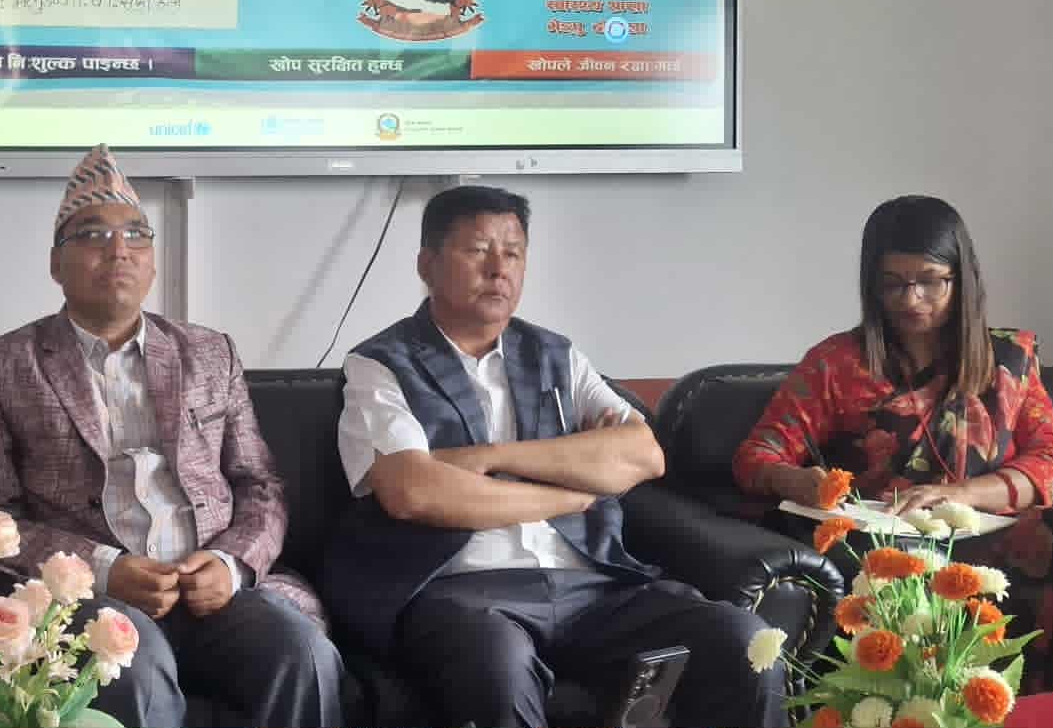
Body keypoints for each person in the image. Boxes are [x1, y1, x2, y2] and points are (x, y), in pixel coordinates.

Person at [735, 195, 1053, 719]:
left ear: (962, 279)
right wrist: (799, 482)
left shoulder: (1009, 359)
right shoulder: (836, 365)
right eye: (892, 283)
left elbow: (1052, 464)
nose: (911, 299)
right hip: (903, 551)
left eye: (930, 281)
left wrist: (961, 494)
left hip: (1003, 535)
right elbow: (756, 455)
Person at [324, 184, 786, 728]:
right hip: (461, 591)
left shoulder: (557, 356)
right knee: (497, 663)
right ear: (427, 264)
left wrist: (488, 457)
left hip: (594, 585)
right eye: (478, 250)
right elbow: (414, 492)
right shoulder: (380, 364)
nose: (499, 269)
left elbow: (644, 456)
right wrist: (573, 493)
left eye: (513, 253)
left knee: (743, 642)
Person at [0, 145, 345, 728]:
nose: (119, 250)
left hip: (215, 588)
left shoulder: (210, 353)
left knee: (302, 655)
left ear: (153, 263)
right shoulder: (3, 366)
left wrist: (230, 563)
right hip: (96, 599)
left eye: (136, 234)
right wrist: (103, 569)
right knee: (134, 672)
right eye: (93, 234)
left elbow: (259, 484)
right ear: (56, 265)